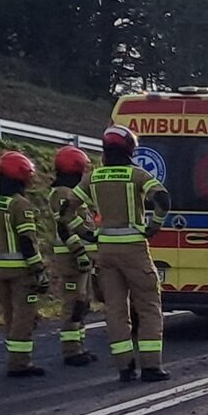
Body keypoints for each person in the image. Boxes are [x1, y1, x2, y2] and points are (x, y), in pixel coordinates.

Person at [69, 125, 172, 382]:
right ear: (130, 149)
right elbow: (163, 199)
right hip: (134, 249)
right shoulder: (136, 176)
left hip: (106, 251)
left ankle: (124, 368)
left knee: (115, 310)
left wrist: (86, 233)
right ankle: (151, 367)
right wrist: (153, 226)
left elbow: (66, 210)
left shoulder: (92, 178)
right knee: (148, 307)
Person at [0, 151, 50, 377]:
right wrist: (39, 270)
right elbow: (27, 241)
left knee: (10, 317)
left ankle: (14, 358)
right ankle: (20, 363)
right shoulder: (20, 205)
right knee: (25, 318)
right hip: (21, 271)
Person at [48, 146, 99, 365]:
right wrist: (80, 252)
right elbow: (65, 226)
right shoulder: (61, 193)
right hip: (72, 258)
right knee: (73, 303)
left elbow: (80, 223)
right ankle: (71, 351)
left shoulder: (72, 192)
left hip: (82, 258)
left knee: (83, 302)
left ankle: (79, 346)